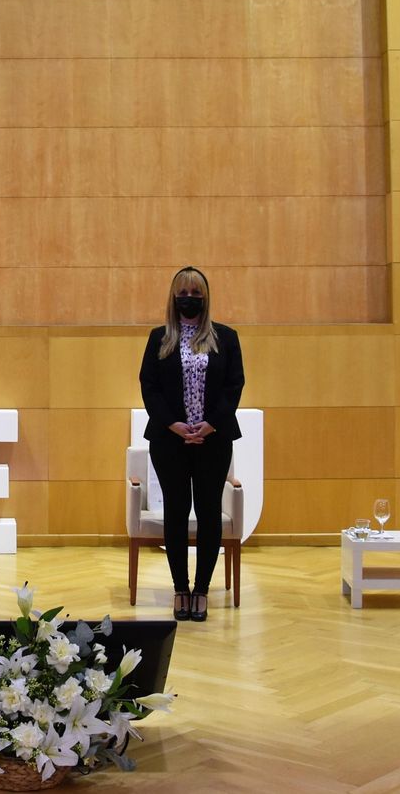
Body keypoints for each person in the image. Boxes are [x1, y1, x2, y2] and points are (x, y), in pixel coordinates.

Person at [138, 267, 244, 622]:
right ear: (173, 297)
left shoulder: (226, 337)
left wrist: (210, 425)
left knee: (209, 513)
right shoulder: (159, 338)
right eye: (183, 293)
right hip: (170, 441)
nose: (189, 299)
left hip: (214, 440)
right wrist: (175, 425)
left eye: (195, 294)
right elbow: (149, 385)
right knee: (176, 512)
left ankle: (201, 590)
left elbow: (234, 385)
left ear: (205, 298)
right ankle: (180, 588)